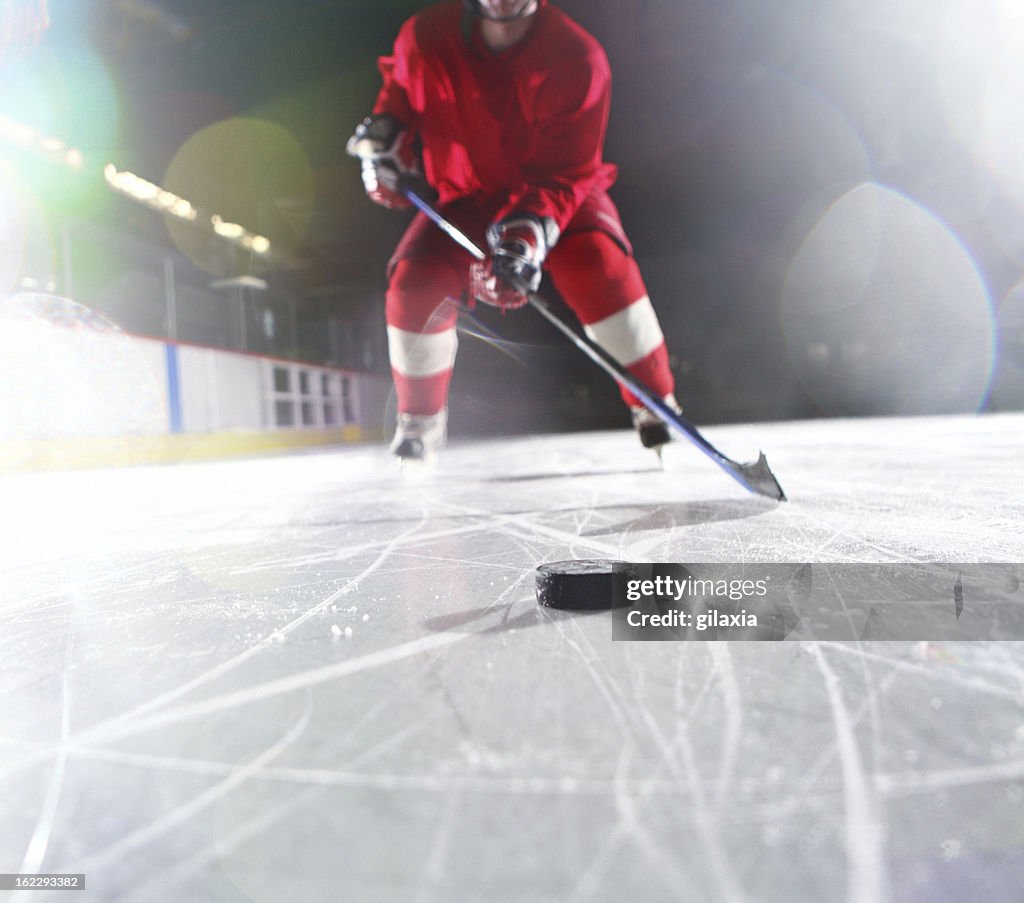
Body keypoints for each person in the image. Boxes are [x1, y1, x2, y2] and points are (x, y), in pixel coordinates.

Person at [347, 0, 680, 461]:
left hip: (557, 195)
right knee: (413, 282)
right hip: (464, 195)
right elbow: (399, 93)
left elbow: (567, 171)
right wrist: (383, 142)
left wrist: (527, 235)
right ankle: (420, 418)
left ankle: (656, 403)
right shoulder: (424, 35)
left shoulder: (578, 56)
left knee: (599, 266)